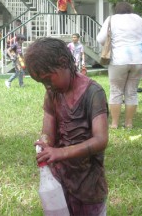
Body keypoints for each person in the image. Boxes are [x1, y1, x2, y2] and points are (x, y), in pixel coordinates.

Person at [25, 37, 108, 216]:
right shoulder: (52, 94)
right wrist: (45, 143)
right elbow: (48, 131)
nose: (47, 86)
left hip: (89, 183)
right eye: (42, 83)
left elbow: (101, 140)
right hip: (61, 179)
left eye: (48, 79)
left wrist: (60, 152)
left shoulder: (93, 93)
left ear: (64, 63)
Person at [97, 1, 142, 129]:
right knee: (131, 92)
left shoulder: (111, 19)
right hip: (139, 59)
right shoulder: (139, 19)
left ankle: (114, 124)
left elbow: (101, 39)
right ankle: (128, 123)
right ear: (130, 9)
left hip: (119, 59)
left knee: (116, 91)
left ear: (116, 10)